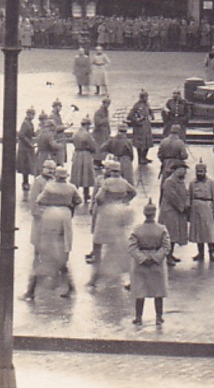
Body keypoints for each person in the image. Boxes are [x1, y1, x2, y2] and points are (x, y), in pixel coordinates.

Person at [23, 169, 82, 300]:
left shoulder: (49, 187)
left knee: (43, 254)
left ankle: (30, 291)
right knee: (62, 252)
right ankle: (70, 286)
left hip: (50, 217)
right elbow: (78, 200)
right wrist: (70, 207)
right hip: (65, 217)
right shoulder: (71, 187)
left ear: (56, 176)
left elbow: (39, 200)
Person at [88, 160, 137, 287]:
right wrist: (124, 201)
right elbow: (133, 192)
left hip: (106, 212)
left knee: (99, 240)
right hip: (120, 209)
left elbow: (98, 198)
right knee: (118, 243)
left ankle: (96, 275)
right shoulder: (123, 182)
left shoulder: (107, 182)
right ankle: (124, 275)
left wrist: (102, 205)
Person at [129, 202, 172, 325]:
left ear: (144, 213)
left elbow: (132, 248)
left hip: (140, 263)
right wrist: (155, 258)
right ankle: (158, 317)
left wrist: (142, 258)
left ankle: (138, 317)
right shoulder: (161, 229)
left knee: (139, 291)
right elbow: (166, 247)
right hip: (157, 263)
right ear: (154, 214)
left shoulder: (137, 229)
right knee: (158, 290)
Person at [158, 161, 191, 265]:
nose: (184, 172)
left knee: (174, 234)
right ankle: (167, 257)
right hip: (170, 212)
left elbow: (186, 193)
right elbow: (172, 197)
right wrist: (182, 207)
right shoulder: (169, 182)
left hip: (177, 212)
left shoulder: (180, 181)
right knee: (170, 234)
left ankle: (171, 254)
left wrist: (187, 204)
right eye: (182, 169)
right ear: (176, 171)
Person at [187, 162, 214, 262]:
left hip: (208, 208)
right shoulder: (192, 183)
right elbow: (189, 196)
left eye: (201, 172)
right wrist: (188, 211)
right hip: (196, 209)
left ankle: (212, 253)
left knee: (209, 232)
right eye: (198, 172)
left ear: (205, 172)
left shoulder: (211, 183)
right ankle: (200, 253)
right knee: (198, 233)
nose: (199, 174)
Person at [69, 118, 97, 203]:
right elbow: (93, 146)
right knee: (86, 175)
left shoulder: (75, 133)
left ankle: (73, 195)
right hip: (86, 155)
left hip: (77, 154)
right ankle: (86, 194)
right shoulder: (87, 134)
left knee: (76, 175)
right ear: (87, 125)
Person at [127, 92, 155, 167]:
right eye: (145, 97)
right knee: (139, 144)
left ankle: (144, 157)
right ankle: (140, 158)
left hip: (146, 125)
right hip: (139, 127)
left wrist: (152, 115)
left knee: (148, 142)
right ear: (141, 98)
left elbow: (149, 110)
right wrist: (137, 121)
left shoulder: (147, 104)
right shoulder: (137, 105)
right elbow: (130, 116)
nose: (147, 98)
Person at [17, 108, 39, 191]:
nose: (32, 116)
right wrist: (29, 143)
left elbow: (32, 133)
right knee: (25, 166)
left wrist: (37, 133)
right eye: (30, 114)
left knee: (28, 165)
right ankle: (25, 183)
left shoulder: (30, 123)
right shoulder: (25, 123)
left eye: (33, 115)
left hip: (28, 148)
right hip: (24, 148)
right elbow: (21, 135)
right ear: (27, 114)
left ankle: (26, 182)